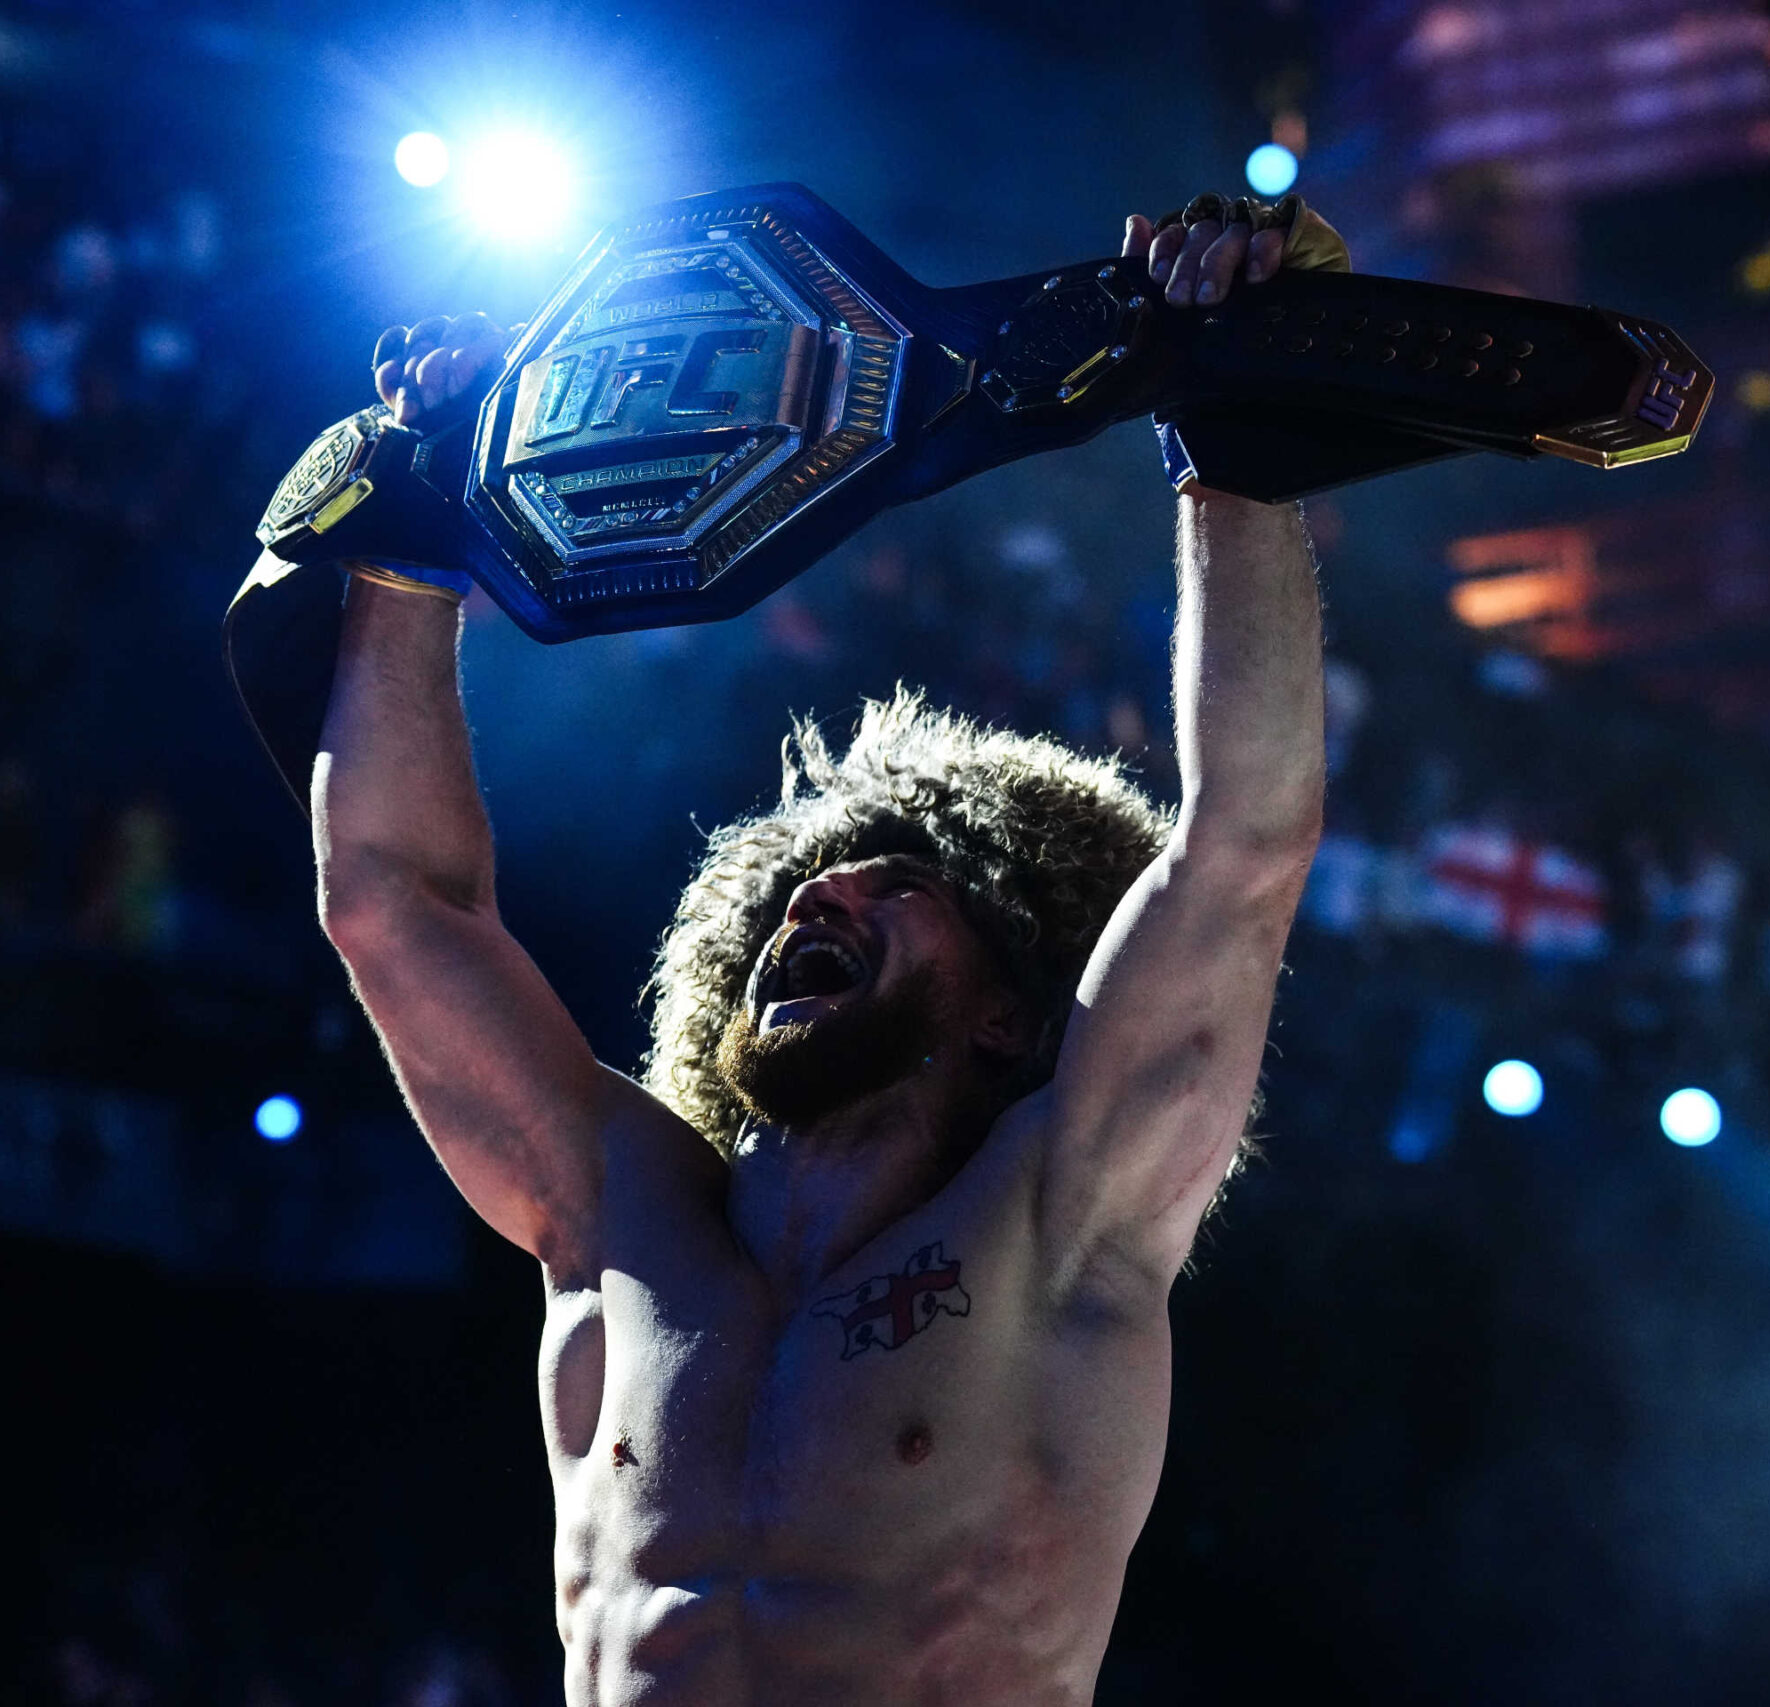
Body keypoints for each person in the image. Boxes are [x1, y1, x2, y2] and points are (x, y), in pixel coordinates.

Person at [311, 198, 1331, 1705]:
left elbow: (1240, 845)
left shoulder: (1057, 1221)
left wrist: (1230, 443)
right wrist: (412, 538)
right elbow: (393, 901)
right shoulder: (619, 1218)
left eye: (893, 888)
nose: (815, 902)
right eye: (801, 894)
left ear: (1008, 1012)